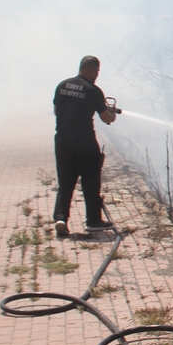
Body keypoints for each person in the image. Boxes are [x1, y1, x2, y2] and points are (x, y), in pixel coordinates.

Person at [52, 55, 117, 236]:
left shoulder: (62, 85)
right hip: (84, 141)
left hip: (62, 141)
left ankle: (61, 219)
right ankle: (93, 221)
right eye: (96, 71)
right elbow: (106, 118)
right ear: (90, 70)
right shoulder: (93, 90)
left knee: (65, 182)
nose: (97, 75)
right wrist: (113, 115)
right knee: (90, 180)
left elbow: (57, 111)